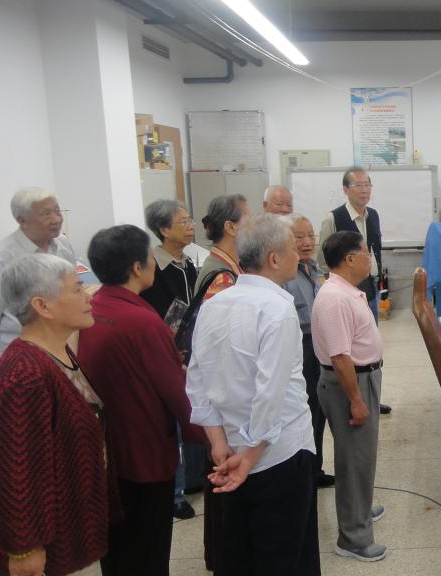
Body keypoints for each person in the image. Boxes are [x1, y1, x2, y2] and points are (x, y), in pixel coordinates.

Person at [187, 214, 319, 576]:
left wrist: (218, 442)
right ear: (274, 258)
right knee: (286, 555)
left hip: (229, 451)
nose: (299, 254)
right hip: (278, 455)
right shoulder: (277, 309)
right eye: (293, 248)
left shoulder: (215, 304)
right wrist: (249, 456)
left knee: (240, 553)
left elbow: (196, 378)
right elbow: (270, 393)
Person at [76, 225, 205, 576]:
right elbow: (176, 392)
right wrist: (208, 437)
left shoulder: (93, 307)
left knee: (118, 546)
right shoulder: (143, 322)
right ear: (136, 267)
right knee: (148, 546)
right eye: (150, 257)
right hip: (145, 452)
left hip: (109, 451)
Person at [0, 254, 112, 576]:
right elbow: (16, 471)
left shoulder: (57, 353)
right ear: (43, 305)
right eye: (77, 288)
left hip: (69, 530)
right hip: (43, 551)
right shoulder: (23, 376)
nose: (89, 295)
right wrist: (24, 549)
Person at [312, 230, 387, 562]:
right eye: (366, 253)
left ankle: (361, 509)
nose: (370, 258)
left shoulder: (347, 291)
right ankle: (353, 538)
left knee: (362, 455)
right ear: (350, 259)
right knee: (354, 459)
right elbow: (340, 357)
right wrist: (356, 400)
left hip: (362, 379)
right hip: (349, 384)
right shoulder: (335, 299)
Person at [193, 194, 249, 574]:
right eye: (248, 218)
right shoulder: (222, 276)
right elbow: (224, 349)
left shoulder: (229, 266)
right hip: (225, 404)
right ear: (230, 227)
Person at [139, 199, 200, 520]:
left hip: (192, 354)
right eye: (183, 222)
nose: (191, 226)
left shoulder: (188, 263)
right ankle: (175, 494)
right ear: (163, 229)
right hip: (165, 357)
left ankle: (194, 479)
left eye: (191, 220)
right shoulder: (153, 268)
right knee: (171, 426)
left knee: (194, 415)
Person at [316, 167, 391, 415]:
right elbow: (323, 261)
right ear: (345, 189)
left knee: (367, 344)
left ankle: (371, 395)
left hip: (368, 288)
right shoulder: (333, 218)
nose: (364, 189)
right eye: (358, 185)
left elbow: (374, 251)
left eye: (368, 184)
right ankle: (353, 397)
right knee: (345, 348)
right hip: (344, 292)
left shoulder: (374, 215)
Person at [0, 188, 76, 361]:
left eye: (57, 210)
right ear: (21, 220)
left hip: (62, 340)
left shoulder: (63, 244)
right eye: (46, 214)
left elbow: (71, 285)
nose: (56, 219)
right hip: (20, 347)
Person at [282, 213, 335, 488]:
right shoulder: (285, 275)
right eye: (299, 236)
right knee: (306, 409)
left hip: (318, 344)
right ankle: (306, 471)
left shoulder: (313, 268)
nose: (307, 242)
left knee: (318, 409)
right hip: (300, 345)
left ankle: (316, 468)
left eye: (310, 235)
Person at [196, 194, 250, 299]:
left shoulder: (228, 264)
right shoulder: (222, 279)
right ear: (230, 227)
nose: (254, 225)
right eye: (249, 218)